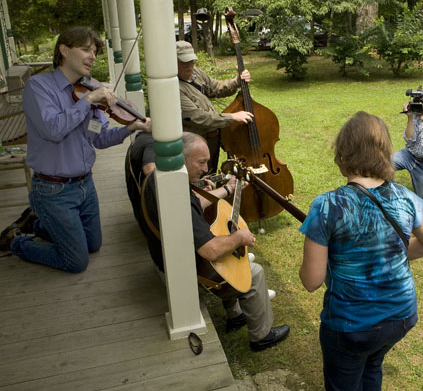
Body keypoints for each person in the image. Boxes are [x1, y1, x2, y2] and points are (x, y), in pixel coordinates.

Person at [299, 111, 423, 391]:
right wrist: (391, 255)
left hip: (351, 325)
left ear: (343, 155)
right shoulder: (406, 198)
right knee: (372, 366)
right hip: (401, 315)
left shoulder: (327, 205)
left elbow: (311, 280)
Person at [0, 27, 151, 272]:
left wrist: (132, 126)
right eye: (85, 49)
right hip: (52, 189)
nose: (92, 56)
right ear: (64, 50)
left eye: (94, 51)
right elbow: (54, 129)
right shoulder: (39, 87)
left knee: (93, 245)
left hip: (85, 185)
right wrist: (89, 101)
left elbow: (100, 139)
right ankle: (15, 241)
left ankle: (40, 224)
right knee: (76, 262)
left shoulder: (88, 88)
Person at [139, 132, 289, 351]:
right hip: (182, 267)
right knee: (253, 272)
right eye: (201, 162)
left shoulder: (161, 178)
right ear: (181, 158)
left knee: (224, 243)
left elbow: (193, 204)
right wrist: (240, 237)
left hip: (165, 254)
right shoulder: (179, 198)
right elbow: (210, 251)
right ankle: (262, 336)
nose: (205, 168)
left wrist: (227, 188)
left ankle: (236, 315)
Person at [177, 40, 254, 174]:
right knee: (199, 176)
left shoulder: (196, 72)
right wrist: (232, 117)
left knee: (211, 173)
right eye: (184, 62)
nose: (190, 66)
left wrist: (237, 81)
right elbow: (199, 117)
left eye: (192, 61)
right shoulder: (175, 88)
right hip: (196, 142)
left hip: (213, 139)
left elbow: (216, 87)